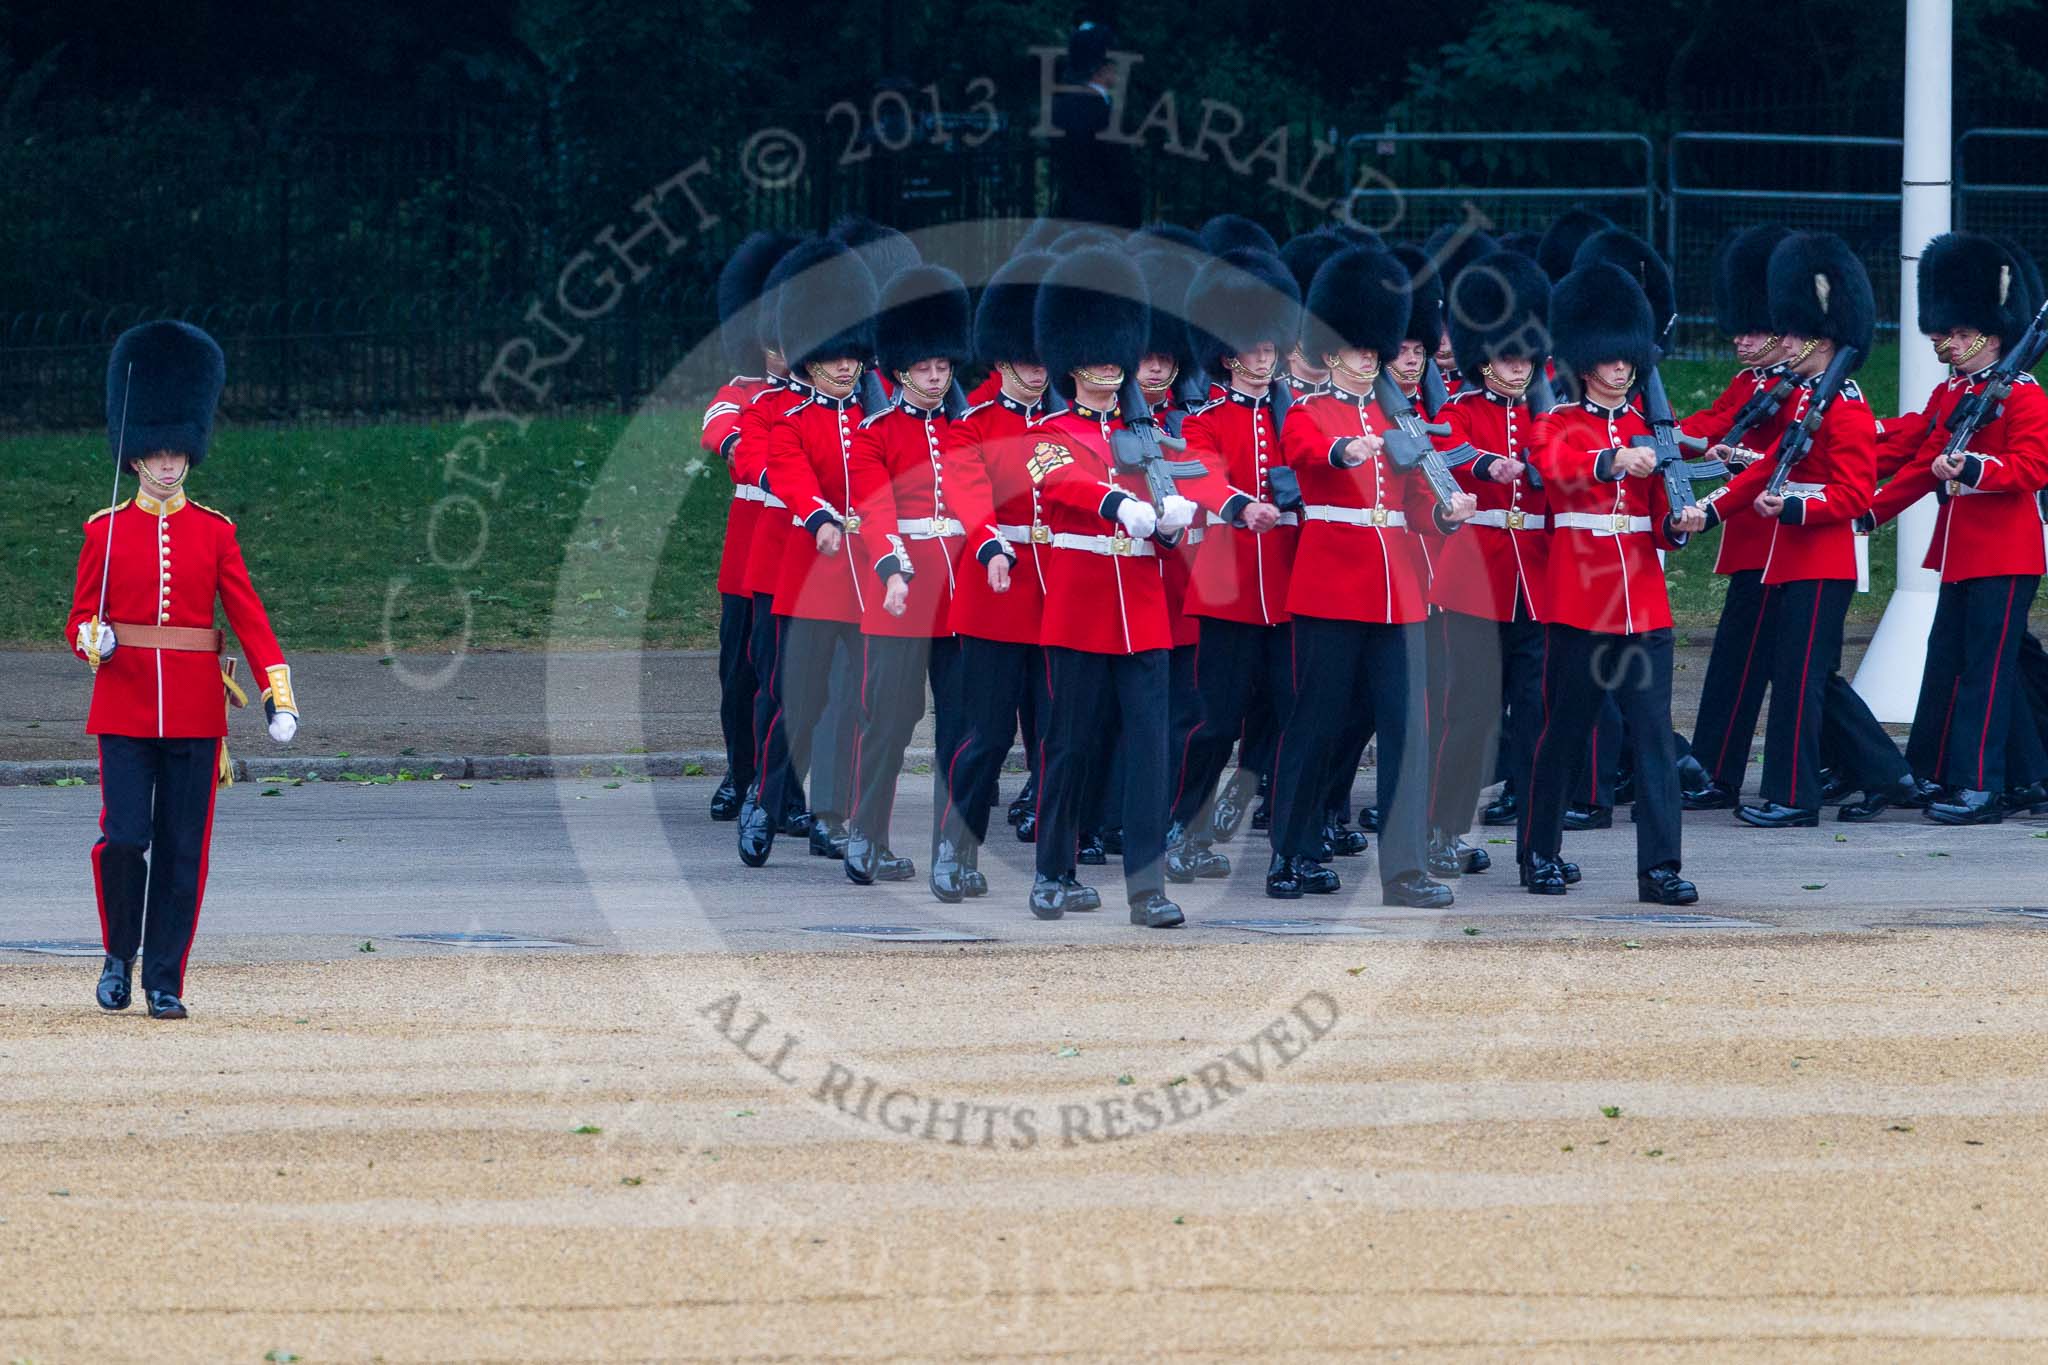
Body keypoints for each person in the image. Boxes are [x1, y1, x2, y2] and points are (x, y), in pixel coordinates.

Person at [69, 320, 300, 1020]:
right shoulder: (103, 531)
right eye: (156, 453)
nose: (168, 464)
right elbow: (80, 618)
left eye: (177, 453)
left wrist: (275, 689)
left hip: (198, 713)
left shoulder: (215, 531)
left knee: (180, 851)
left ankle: (164, 978)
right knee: (127, 838)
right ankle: (118, 954)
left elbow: (249, 614)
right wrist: (94, 640)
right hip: (125, 707)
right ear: (135, 454)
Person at [1268, 245, 1476, 907]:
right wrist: (1343, 448)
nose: (1366, 357)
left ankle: (1405, 869)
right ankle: (1291, 852)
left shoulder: (1398, 419)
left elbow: (1415, 507)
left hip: (1400, 594)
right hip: (1331, 589)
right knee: (1317, 724)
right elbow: (1302, 450)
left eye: (1371, 348)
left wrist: (1448, 512)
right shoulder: (1308, 411)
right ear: (1330, 354)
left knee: (1406, 729)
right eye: (1354, 348)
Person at [1691, 231, 1909, 829]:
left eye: (1790, 331)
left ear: (1819, 335)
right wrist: (1708, 510)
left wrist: (1790, 506)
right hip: (1792, 559)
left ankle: (1797, 796)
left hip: (1822, 560)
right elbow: (1767, 465)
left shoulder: (1846, 405)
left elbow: (1853, 493)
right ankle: (1800, 789)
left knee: (1802, 683)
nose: (1780, 338)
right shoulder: (1805, 397)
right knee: (1793, 680)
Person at [1024, 246, 1216, 926]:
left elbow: (1178, 496)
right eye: (1099, 355)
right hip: (1079, 609)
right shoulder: (1049, 430)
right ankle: (1053, 872)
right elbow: (1060, 480)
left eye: (1117, 354)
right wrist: (1118, 505)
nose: (1112, 365)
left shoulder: (1152, 435)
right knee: (1069, 746)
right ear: (1073, 362)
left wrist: (1170, 523)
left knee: (1150, 752)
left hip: (1142, 610)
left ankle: (1146, 887)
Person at [1519, 261, 1696, 903]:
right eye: (1610, 359)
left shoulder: (1653, 432)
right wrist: (1611, 459)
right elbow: (1556, 471)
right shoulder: (1556, 422)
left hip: (1643, 606)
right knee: (1565, 733)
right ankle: (1539, 852)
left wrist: (1682, 521)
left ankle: (1660, 869)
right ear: (1585, 361)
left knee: (1653, 739)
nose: (1621, 369)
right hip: (1580, 605)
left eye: (1628, 359)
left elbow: (1658, 525)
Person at [1864, 232, 2048, 824]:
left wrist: (1973, 466)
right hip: (1963, 550)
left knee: (1984, 675)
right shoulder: (1954, 392)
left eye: (1956, 333)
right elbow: (1923, 456)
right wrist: (1872, 508)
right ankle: (2015, 777)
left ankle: (1981, 787)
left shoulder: (2023, 395)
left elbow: (2033, 466)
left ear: (1990, 336)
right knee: (1950, 662)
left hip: (2007, 550)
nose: (1945, 342)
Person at [737, 237, 883, 868]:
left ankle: (833, 813)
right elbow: (768, 464)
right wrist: (817, 512)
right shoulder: (778, 411)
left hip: (861, 579)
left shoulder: (875, 417)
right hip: (796, 572)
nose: (847, 365)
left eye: (853, 353)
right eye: (834, 353)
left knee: (852, 704)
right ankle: (765, 802)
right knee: (788, 696)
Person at [1166, 248, 1295, 883]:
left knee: (1281, 716)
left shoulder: (1293, 413)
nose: (1266, 355)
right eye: (1254, 347)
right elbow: (1202, 480)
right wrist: (1241, 505)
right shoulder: (1205, 419)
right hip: (1228, 586)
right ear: (1226, 352)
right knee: (1214, 723)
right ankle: (1181, 822)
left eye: (1271, 345)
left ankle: (1253, 818)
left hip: (1290, 587)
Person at [842, 264, 974, 882]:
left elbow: (974, 503)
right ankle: (866, 837)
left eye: (943, 366)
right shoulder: (875, 434)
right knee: (889, 725)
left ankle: (954, 850)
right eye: (924, 368)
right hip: (900, 594)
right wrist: (894, 570)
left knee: (963, 729)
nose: (936, 375)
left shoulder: (962, 430)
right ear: (899, 371)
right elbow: (876, 511)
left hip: (959, 597)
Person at [935, 252, 1060, 901]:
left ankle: (1053, 863)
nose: (1040, 372)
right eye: (1029, 360)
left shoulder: (1066, 428)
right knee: (986, 737)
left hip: (1058, 597)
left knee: (1055, 733)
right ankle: (956, 847)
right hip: (995, 595)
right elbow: (966, 494)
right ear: (1003, 359)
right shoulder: (973, 428)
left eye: (1045, 359)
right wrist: (990, 547)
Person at [1424, 249, 1553, 881]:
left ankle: (1537, 842)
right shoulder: (1459, 408)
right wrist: (1487, 467)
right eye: (1508, 357)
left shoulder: (1546, 413)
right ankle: (1441, 832)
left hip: (1536, 583)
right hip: (1474, 580)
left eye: (1526, 357)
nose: (1520, 367)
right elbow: (1445, 449)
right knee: (1469, 716)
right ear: (1484, 359)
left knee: (1534, 716)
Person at [1678, 224, 1797, 811]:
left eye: (1757, 331)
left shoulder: (1799, 387)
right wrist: (1666, 435)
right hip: (1755, 538)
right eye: (1741, 330)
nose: (1744, 342)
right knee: (1743, 659)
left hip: (1783, 534)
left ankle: (1719, 773)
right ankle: (1713, 768)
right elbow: (1718, 420)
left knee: (1763, 662)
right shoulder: (1751, 381)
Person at [705, 230, 800, 822]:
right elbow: (720, 426)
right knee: (739, 675)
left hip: (803, 555)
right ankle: (740, 772)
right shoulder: (743, 393)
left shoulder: (828, 402)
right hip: (748, 559)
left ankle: (783, 786)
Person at [1044, 22, 1142, 229]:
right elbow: (1122, 179)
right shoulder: (1106, 115)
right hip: (1108, 226)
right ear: (1101, 68)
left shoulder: (1057, 109)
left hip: (1067, 221)